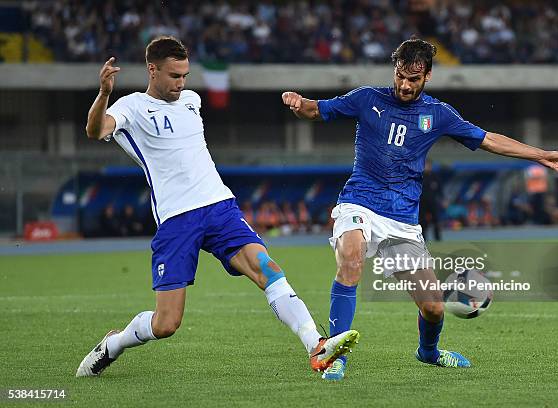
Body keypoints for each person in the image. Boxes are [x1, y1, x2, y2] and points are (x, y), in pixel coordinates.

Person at [281, 38, 558, 381]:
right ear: (394, 71)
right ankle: (333, 354)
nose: (405, 86)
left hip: (403, 219)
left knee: (435, 307)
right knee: (351, 258)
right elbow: (317, 109)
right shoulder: (366, 99)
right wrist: (298, 101)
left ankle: (429, 352)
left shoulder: (438, 114)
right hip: (360, 201)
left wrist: (540, 154)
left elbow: (488, 139)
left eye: (414, 80)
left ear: (428, 77)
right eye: (401, 77)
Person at [76, 36, 359, 378]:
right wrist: (104, 93)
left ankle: (316, 345)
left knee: (267, 269)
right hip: (177, 220)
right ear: (152, 70)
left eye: (185, 75)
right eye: (174, 75)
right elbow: (95, 130)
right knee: (167, 324)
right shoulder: (130, 107)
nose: (181, 83)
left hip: (219, 206)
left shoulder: (192, 100)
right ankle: (114, 344)